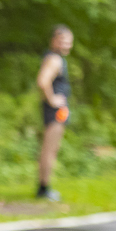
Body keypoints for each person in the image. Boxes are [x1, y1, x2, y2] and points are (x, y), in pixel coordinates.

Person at [36, 25, 74, 201]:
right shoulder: (54, 60)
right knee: (49, 149)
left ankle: (44, 187)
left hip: (57, 110)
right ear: (54, 40)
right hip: (54, 111)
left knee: (52, 148)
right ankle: (44, 188)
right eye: (62, 40)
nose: (66, 44)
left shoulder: (56, 58)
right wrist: (52, 100)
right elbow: (43, 81)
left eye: (69, 41)